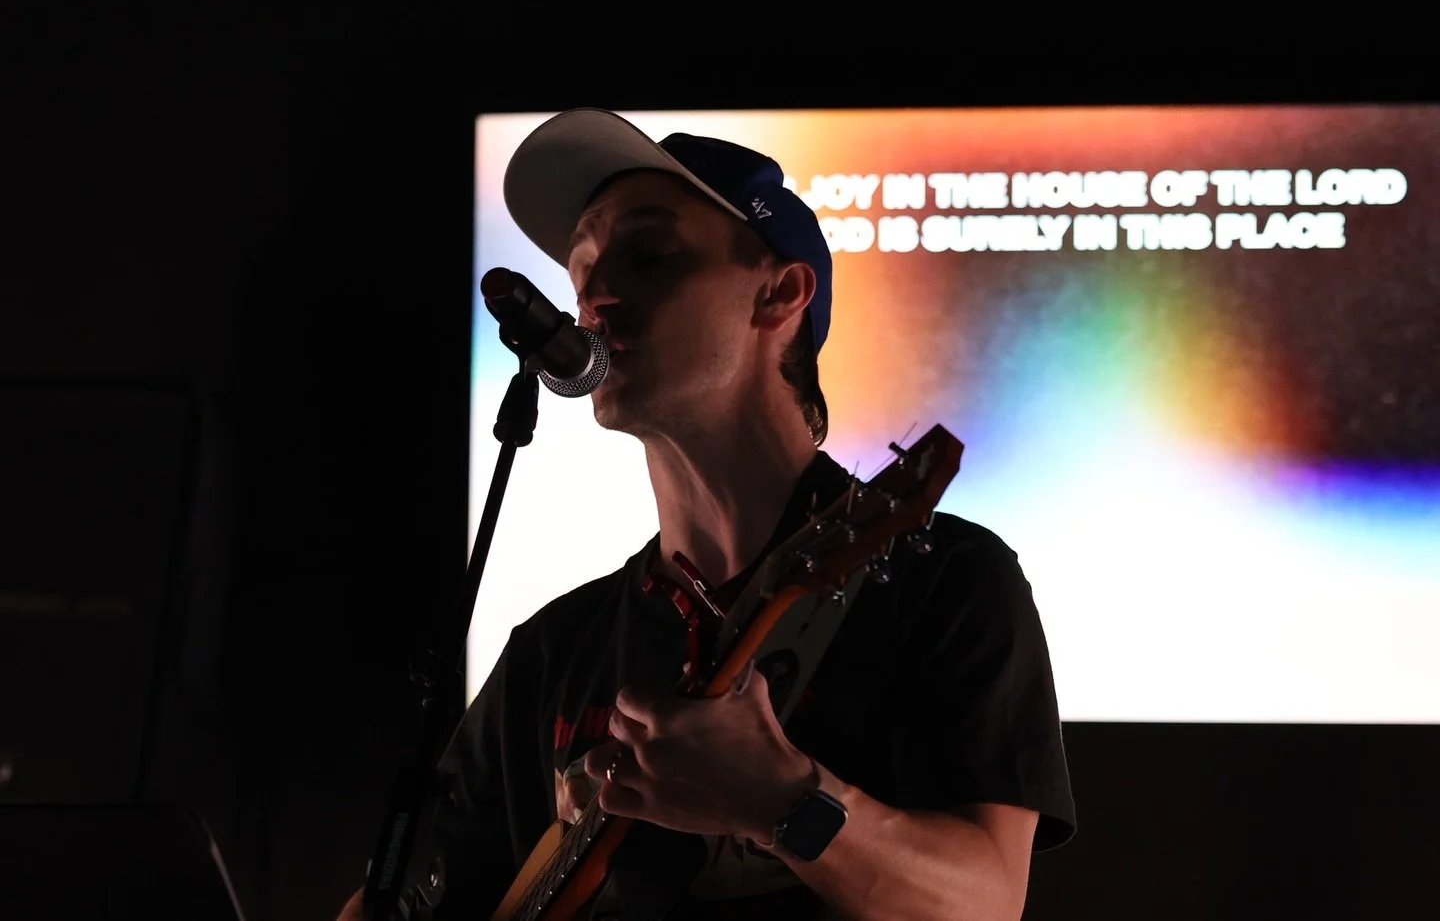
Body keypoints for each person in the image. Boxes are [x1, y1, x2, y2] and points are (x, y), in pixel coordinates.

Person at [339, 107, 1076, 921]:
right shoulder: (551, 653)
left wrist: (782, 800)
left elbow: (985, 902)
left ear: (780, 293)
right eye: (581, 270)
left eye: (649, 254)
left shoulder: (942, 580)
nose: (593, 295)